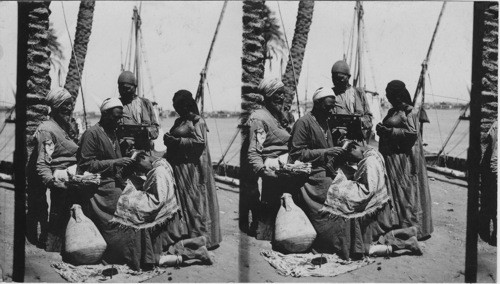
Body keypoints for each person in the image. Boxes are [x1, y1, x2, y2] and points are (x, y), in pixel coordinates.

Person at [77, 98, 212, 270]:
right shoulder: (92, 134)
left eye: (120, 118)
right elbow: (86, 165)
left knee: (150, 201)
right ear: (104, 115)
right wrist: (115, 162)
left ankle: (173, 245)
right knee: (139, 208)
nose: (119, 121)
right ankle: (167, 251)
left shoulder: (114, 133)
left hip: (118, 181)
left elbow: (120, 159)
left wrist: (129, 157)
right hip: (102, 187)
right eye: (116, 118)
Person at [317, 140, 422, 258]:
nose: (353, 160)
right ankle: (407, 232)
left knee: (362, 248)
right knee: (378, 238)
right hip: (381, 204)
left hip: (372, 204)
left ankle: (407, 244)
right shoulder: (374, 153)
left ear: (355, 147)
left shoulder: (369, 162)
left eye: (351, 156)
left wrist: (338, 179)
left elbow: (366, 191)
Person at [163, 90, 222, 249]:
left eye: (178, 106)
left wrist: (176, 141)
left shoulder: (198, 122)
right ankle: (192, 236)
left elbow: (199, 144)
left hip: (193, 169)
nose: (176, 109)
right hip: (180, 168)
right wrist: (168, 140)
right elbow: (173, 138)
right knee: (186, 203)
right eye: (174, 106)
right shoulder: (179, 122)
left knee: (197, 202)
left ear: (186, 105)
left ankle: (204, 239)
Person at [376, 80, 433, 240]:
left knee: (407, 191)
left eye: (389, 94)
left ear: (397, 94)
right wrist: (381, 129)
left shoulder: (410, 111)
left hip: (405, 160)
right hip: (392, 159)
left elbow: (411, 134)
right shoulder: (393, 111)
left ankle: (415, 229)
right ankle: (401, 226)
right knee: (395, 192)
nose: (387, 97)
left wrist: (388, 132)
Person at [26, 88, 78, 252]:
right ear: (55, 107)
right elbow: (42, 163)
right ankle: (54, 245)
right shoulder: (47, 130)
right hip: (60, 176)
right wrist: (52, 182)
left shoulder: (63, 127)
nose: (69, 109)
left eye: (70, 105)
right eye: (65, 105)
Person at [246, 78, 291, 240]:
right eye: (277, 94)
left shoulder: (276, 116)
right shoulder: (259, 118)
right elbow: (253, 152)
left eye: (283, 94)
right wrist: (263, 172)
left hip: (286, 165)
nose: (282, 98)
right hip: (273, 168)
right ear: (268, 95)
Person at [330, 60, 373, 144]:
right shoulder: (329, 94)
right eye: (334, 79)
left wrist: (360, 121)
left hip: (358, 142)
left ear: (348, 77)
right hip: (338, 142)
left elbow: (369, 118)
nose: (337, 81)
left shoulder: (359, 93)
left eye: (341, 78)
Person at [117, 71, 160, 153]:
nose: (124, 91)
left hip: (144, 152)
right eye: (121, 88)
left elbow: (156, 130)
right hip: (123, 153)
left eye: (127, 88)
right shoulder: (115, 105)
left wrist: (146, 131)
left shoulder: (146, 103)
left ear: (135, 87)